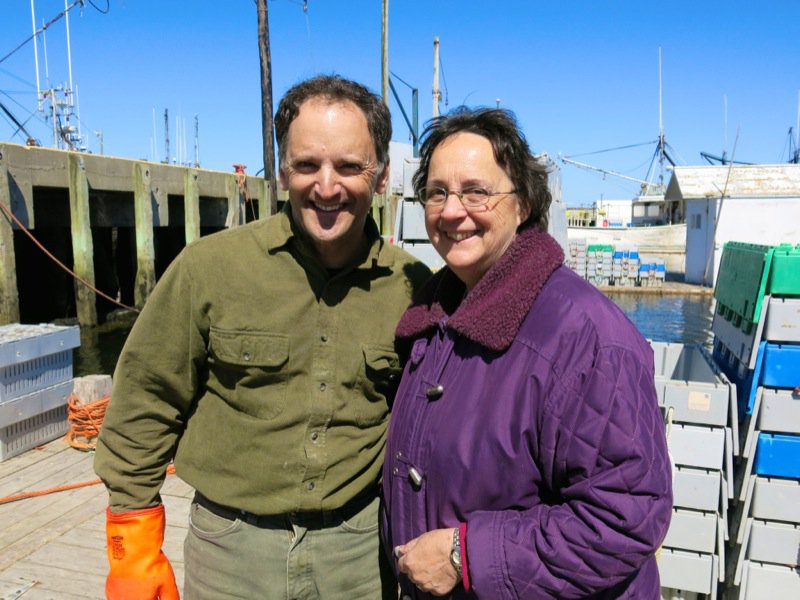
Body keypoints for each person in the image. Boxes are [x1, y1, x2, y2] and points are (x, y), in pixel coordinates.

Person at [94, 74, 431, 599]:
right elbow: (144, 403)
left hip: (361, 550)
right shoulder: (208, 269)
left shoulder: (416, 290)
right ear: (280, 171)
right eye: (306, 165)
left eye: (349, 166)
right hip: (231, 548)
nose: (326, 186)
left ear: (382, 175)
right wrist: (131, 548)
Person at [381, 107, 673, 599]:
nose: (453, 210)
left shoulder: (585, 336)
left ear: (523, 204)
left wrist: (462, 555)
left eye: (477, 191)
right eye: (437, 192)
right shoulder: (435, 316)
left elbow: (627, 515)